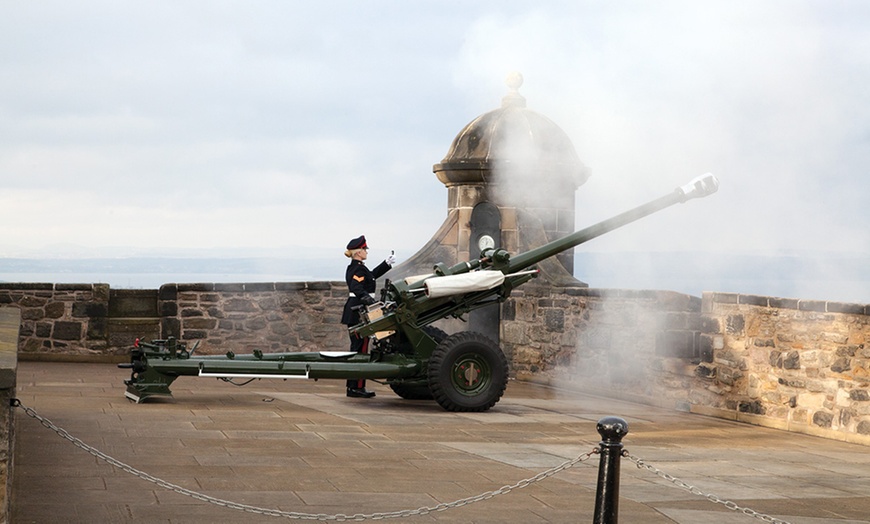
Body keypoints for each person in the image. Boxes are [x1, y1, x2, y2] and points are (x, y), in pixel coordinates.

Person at [340, 235, 396, 398]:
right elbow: (357, 288)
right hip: (358, 312)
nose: (366, 252)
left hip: (357, 311)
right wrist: (371, 302)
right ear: (358, 252)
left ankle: (355, 386)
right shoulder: (356, 268)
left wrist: (386, 264)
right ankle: (355, 387)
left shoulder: (359, 267)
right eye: (364, 249)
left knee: (359, 349)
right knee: (360, 350)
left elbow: (370, 276)